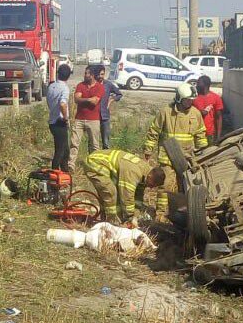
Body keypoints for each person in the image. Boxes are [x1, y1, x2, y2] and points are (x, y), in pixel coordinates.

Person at [143, 82, 208, 220]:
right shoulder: (166, 112)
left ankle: (178, 214)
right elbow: (154, 131)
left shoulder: (196, 114)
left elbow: (201, 134)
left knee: (183, 187)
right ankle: (161, 214)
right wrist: (148, 149)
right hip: (168, 157)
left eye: (191, 100)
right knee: (165, 186)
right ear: (179, 98)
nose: (190, 103)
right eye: (187, 100)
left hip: (187, 159)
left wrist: (203, 152)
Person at [83, 149, 166, 225]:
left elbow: (137, 197)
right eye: (152, 185)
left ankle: (106, 219)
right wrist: (130, 217)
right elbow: (126, 197)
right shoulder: (134, 173)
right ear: (150, 176)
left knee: (112, 195)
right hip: (95, 163)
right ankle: (112, 223)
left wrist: (136, 214)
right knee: (111, 193)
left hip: (104, 164)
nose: (150, 188)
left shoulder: (145, 173)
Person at [69, 65, 105, 162]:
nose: (85, 75)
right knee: (74, 143)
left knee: (94, 145)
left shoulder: (100, 87)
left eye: (87, 73)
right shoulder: (80, 85)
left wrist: (83, 99)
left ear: (92, 75)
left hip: (93, 120)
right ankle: (71, 164)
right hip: (79, 119)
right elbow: (76, 99)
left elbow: (95, 102)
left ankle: (94, 164)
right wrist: (89, 99)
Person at [46, 63, 72, 172]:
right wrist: (66, 118)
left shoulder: (51, 86)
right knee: (60, 151)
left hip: (52, 121)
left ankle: (65, 173)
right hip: (60, 122)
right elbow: (62, 104)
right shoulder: (64, 88)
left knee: (65, 151)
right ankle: (55, 174)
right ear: (68, 76)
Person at [193, 75, 225, 145]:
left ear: (205, 85)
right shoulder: (193, 98)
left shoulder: (216, 98)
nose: (196, 85)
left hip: (210, 134)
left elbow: (219, 118)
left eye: (199, 83)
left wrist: (218, 136)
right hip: (195, 133)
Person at [96, 66, 123, 149]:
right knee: (94, 141)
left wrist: (111, 100)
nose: (100, 76)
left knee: (106, 141)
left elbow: (119, 94)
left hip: (105, 116)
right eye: (99, 74)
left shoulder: (108, 84)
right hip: (94, 117)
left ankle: (106, 158)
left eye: (102, 74)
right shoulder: (92, 84)